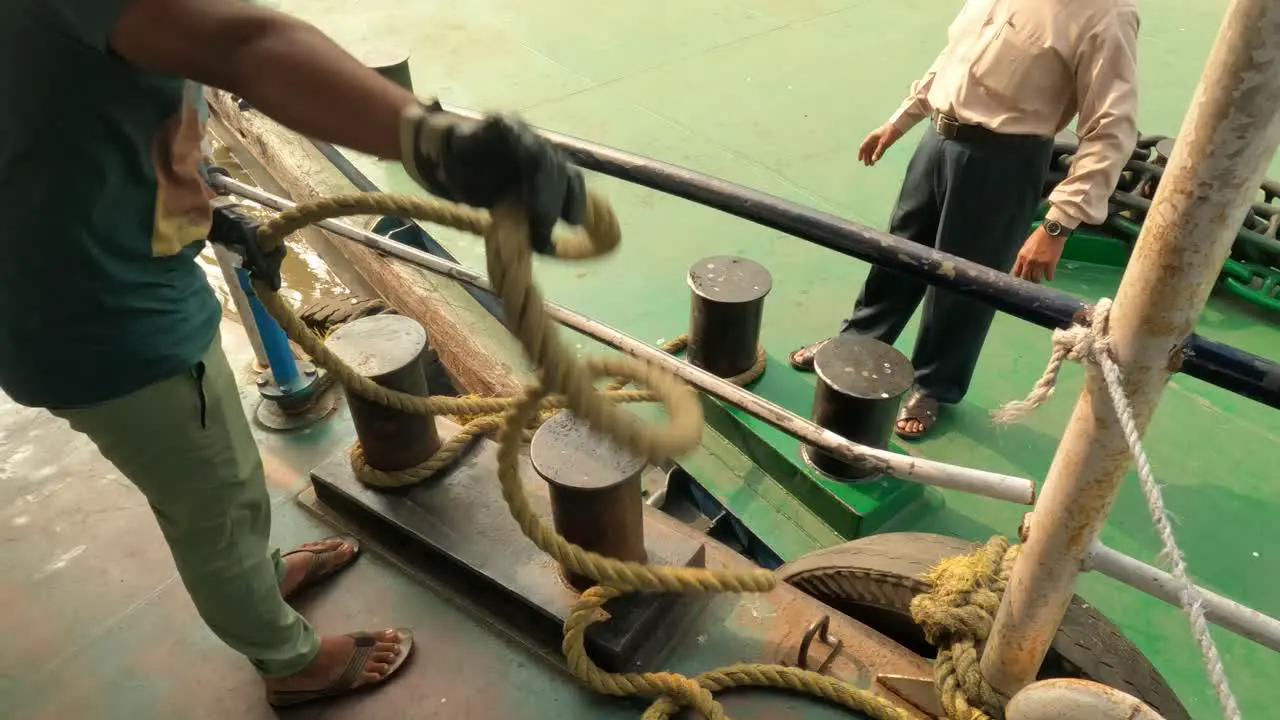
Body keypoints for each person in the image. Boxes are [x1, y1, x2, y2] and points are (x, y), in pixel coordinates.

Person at [0, 0, 584, 708]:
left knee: (223, 478)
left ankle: (260, 574)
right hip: (104, 314)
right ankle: (288, 660)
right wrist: (438, 144)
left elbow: (67, 116)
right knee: (214, 502)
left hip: (79, 275)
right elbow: (247, 46)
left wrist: (203, 209)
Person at [789, 0, 1139, 439]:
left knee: (966, 281)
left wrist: (1057, 224)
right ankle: (859, 339)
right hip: (938, 139)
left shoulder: (1105, 15)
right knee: (897, 253)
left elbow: (1111, 127)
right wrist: (900, 121)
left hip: (1004, 160)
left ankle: (933, 384)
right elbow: (956, 57)